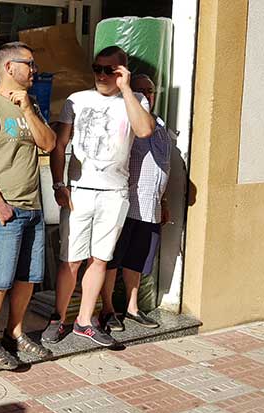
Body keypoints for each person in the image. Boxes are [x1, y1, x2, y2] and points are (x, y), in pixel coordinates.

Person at [44, 46, 154, 348]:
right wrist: (57, 183)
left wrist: (127, 89)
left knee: (100, 259)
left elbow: (144, 130)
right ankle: (59, 317)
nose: (102, 75)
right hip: (79, 191)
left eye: (110, 70)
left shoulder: (137, 100)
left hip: (115, 193)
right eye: (98, 68)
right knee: (71, 260)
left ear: (122, 71)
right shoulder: (76, 100)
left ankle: (85, 321)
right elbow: (60, 144)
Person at [0, 42, 56, 369]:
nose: (34, 70)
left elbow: (48, 143)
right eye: (29, 64)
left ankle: (14, 334)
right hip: (5, 208)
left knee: (28, 277)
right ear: (8, 68)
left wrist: (29, 110)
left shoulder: (28, 103)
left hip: (33, 206)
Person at [99, 74, 171, 331]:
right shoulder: (125, 121)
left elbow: (163, 165)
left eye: (149, 91)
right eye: (139, 90)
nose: (146, 96)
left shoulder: (160, 125)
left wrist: (163, 201)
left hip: (149, 206)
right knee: (112, 259)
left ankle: (131, 308)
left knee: (137, 261)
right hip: (126, 203)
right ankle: (107, 309)